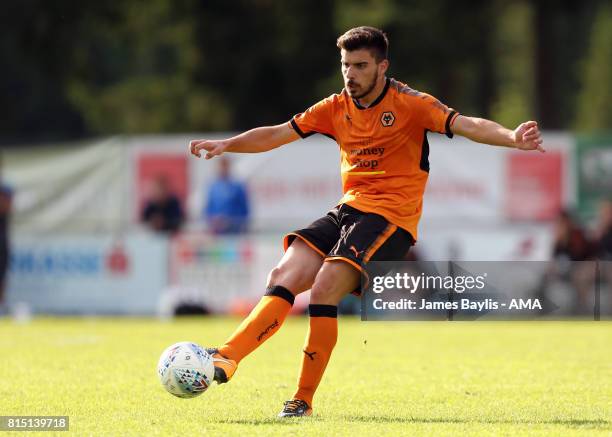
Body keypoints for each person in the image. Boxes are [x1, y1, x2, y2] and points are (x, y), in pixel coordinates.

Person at [189, 26, 544, 417]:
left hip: (392, 219)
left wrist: (512, 137)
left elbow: (470, 124)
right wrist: (227, 145)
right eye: (345, 65)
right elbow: (276, 134)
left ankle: (302, 400)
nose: (351, 74)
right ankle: (227, 357)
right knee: (284, 273)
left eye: (360, 65)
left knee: (324, 289)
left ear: (382, 66)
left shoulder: (411, 102)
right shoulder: (334, 107)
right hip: (349, 209)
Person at [204, 157, 250, 234]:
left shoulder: (237, 186)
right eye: (221, 166)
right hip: (217, 230)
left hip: (234, 230)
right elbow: (209, 208)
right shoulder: (213, 186)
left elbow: (244, 209)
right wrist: (212, 221)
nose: (223, 169)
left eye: (225, 166)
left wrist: (232, 221)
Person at [0, 165, 13, 313]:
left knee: (1, 274)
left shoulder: (6, 189)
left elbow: (5, 207)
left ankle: (1, 308)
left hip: (2, 240)